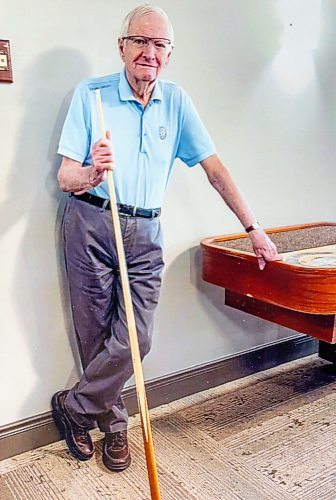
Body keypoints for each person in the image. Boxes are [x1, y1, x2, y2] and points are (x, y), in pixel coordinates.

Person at [52, 4, 280, 472]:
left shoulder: (177, 102)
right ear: (122, 46)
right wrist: (93, 172)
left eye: (159, 44)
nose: (148, 52)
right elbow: (64, 177)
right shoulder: (90, 96)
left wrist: (253, 227)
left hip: (147, 230)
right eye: (139, 41)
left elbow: (215, 170)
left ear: (169, 54)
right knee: (96, 333)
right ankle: (115, 429)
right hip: (91, 221)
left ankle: (74, 408)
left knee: (136, 337)